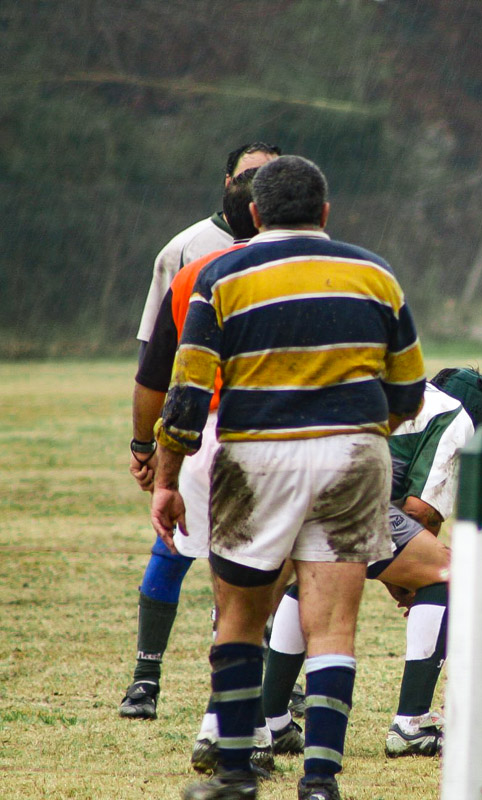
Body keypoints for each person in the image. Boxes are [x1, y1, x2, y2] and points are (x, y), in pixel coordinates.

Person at [151, 155, 426, 800]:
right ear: (325, 213)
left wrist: (166, 476)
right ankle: (322, 782)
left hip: (257, 459)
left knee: (241, 619)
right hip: (354, 457)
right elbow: (410, 392)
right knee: (333, 627)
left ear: (253, 213)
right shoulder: (376, 274)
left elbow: (186, 397)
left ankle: (237, 775)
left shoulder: (220, 275)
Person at [258, 367, 482, 760]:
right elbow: (421, 512)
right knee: (449, 575)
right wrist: (407, 582)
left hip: (288, 469)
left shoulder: (406, 393)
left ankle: (273, 722)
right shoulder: (457, 416)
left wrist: (393, 570)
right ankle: (412, 723)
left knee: (317, 578)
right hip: (346, 492)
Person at [120, 170, 265, 728]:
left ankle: (243, 706)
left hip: (199, 435)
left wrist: (154, 448)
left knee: (202, 559)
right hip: (268, 435)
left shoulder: (203, 273)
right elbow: (154, 364)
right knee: (255, 574)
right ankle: (223, 709)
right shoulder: (187, 255)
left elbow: (157, 374)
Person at [134, 142, 281, 361]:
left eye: (270, 179)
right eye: (248, 175)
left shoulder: (298, 247)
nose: (257, 186)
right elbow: (155, 347)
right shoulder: (185, 248)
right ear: (229, 182)